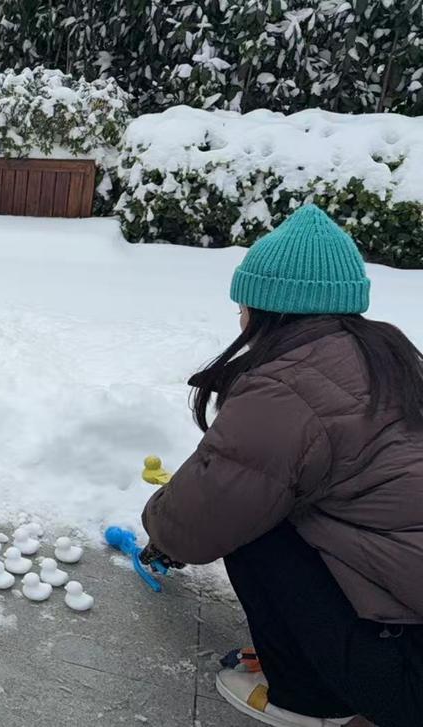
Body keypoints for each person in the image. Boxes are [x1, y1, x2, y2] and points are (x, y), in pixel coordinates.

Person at [141, 205, 423, 727]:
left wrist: (159, 527)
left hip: (406, 670)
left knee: (256, 526)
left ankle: (308, 696)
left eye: (244, 305)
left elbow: (206, 516)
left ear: (271, 307)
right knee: (278, 504)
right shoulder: (389, 357)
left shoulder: (289, 386)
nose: (240, 317)